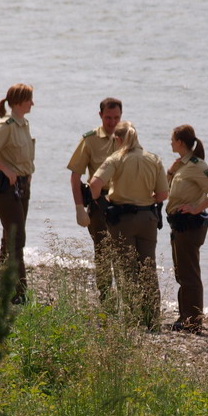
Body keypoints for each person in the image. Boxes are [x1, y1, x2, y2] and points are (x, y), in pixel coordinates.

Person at [89, 121, 168, 329]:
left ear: (117, 140)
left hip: (122, 220)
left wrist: (102, 203)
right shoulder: (154, 159)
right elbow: (163, 194)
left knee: (126, 270)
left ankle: (132, 318)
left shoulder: (116, 158)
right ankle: (153, 320)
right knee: (148, 269)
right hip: (148, 219)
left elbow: (95, 184)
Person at [0, 83, 35, 303]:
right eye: (30, 99)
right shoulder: (7, 125)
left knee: (9, 237)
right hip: (6, 189)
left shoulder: (23, 124)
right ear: (20, 101)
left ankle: (5, 288)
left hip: (23, 187)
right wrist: (6, 169)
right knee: (16, 238)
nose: (33, 103)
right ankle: (19, 293)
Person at [166, 124, 208, 333]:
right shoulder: (182, 164)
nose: (170, 143)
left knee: (189, 273)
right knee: (181, 272)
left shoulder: (197, 165)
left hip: (190, 226)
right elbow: (169, 190)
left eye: (172, 139)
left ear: (180, 142)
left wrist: (196, 208)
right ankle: (184, 317)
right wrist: (171, 171)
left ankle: (193, 321)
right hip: (178, 224)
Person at [66, 97, 122, 300]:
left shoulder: (127, 137)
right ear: (100, 115)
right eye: (108, 117)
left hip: (124, 203)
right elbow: (75, 175)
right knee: (103, 252)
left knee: (124, 253)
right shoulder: (90, 140)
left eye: (116, 117)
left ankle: (125, 297)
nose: (112, 122)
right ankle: (106, 296)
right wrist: (79, 207)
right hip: (99, 202)